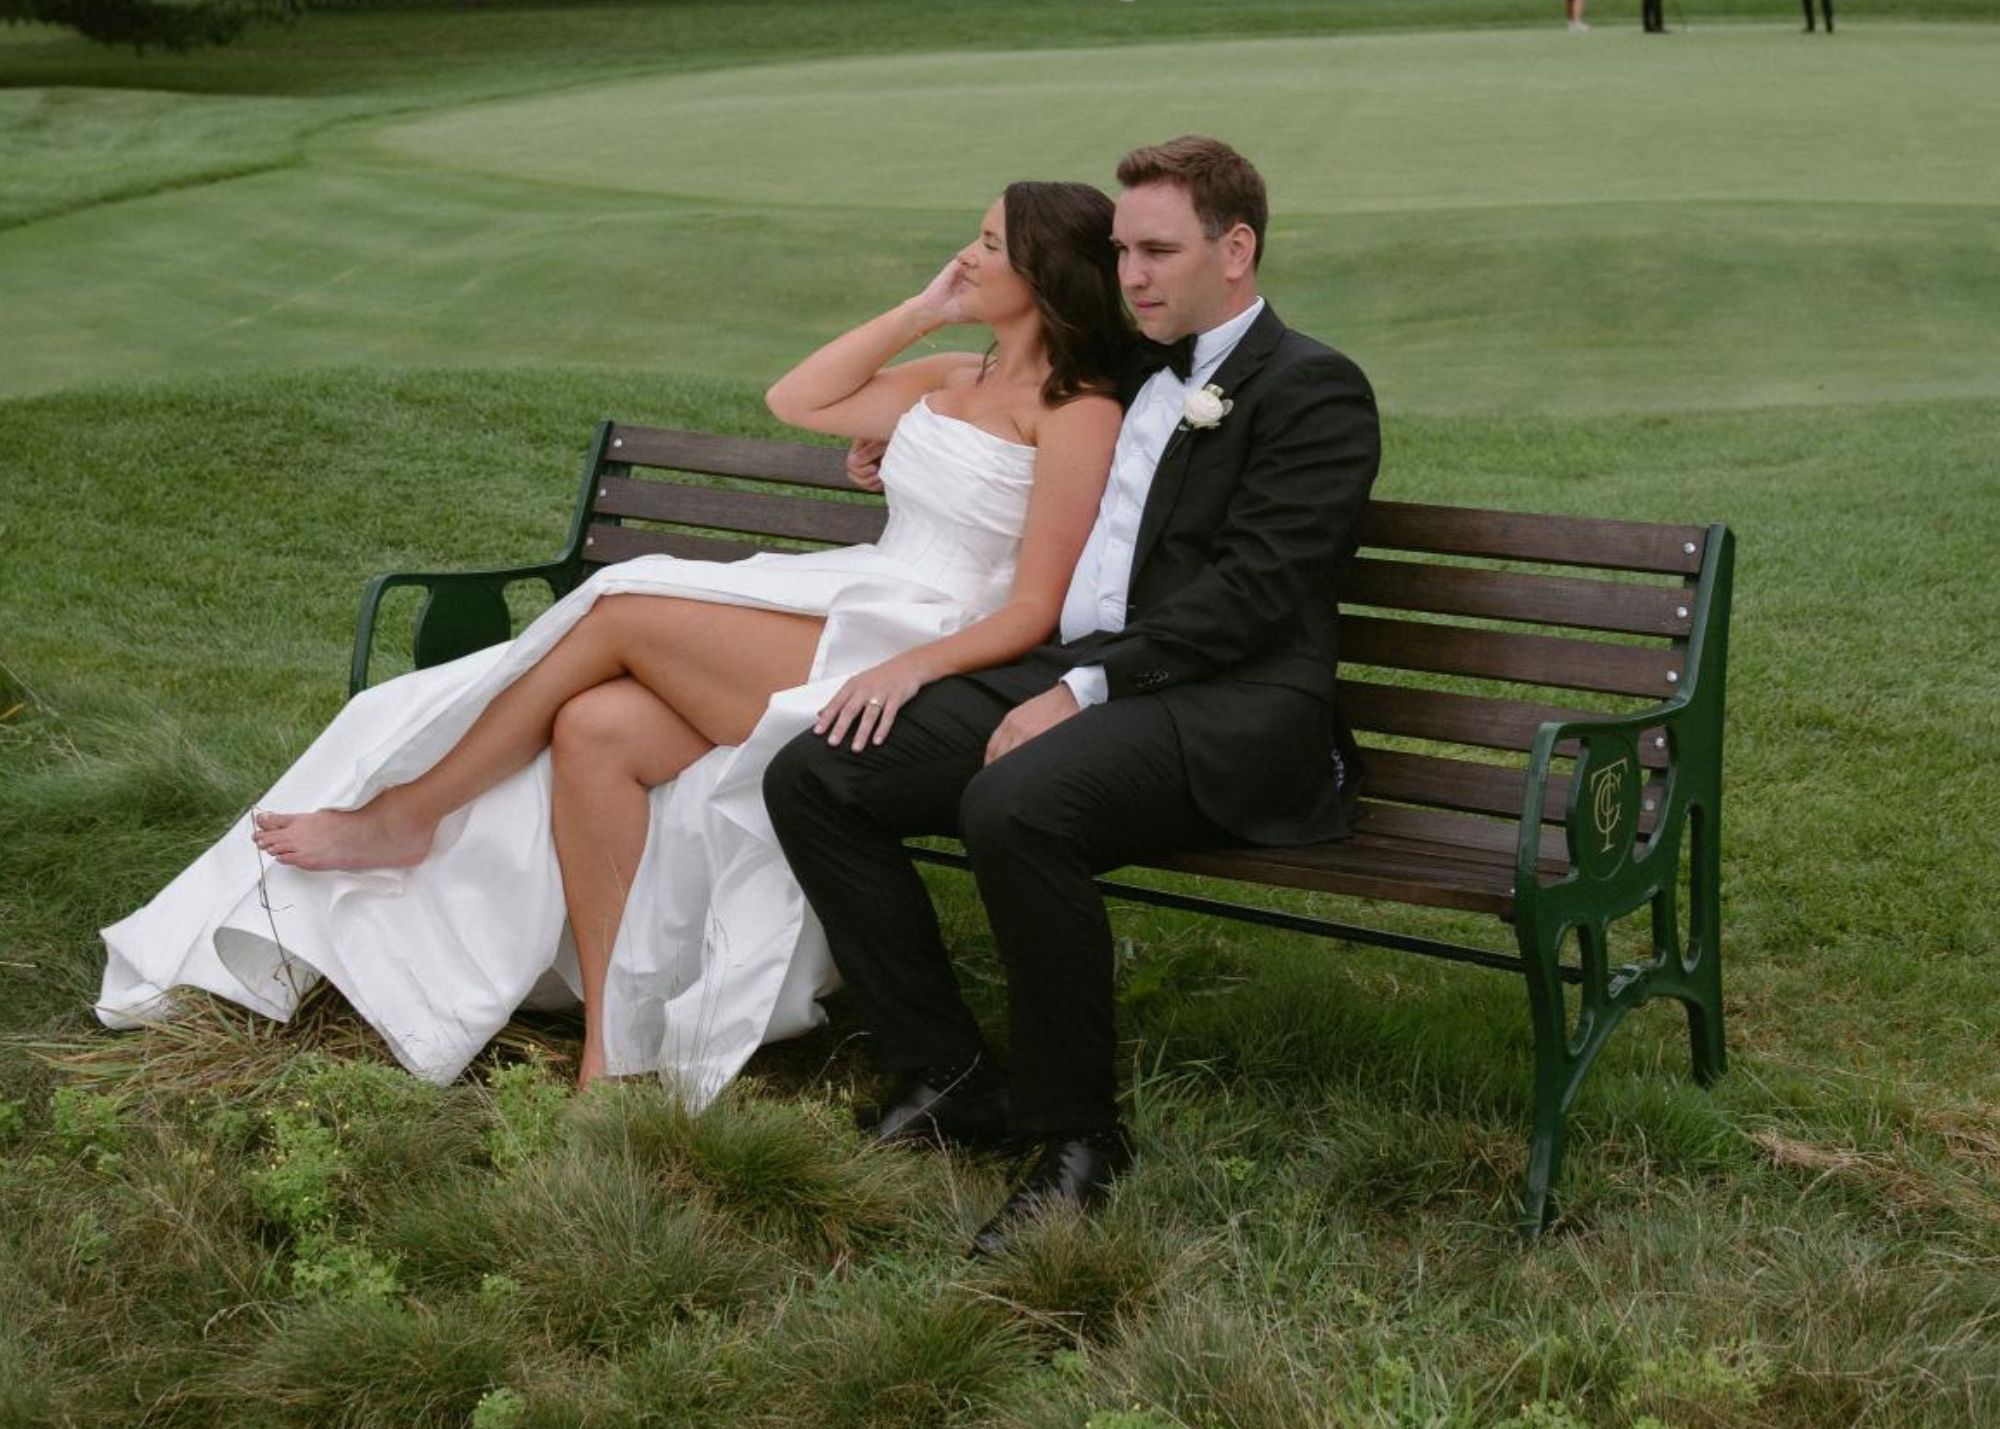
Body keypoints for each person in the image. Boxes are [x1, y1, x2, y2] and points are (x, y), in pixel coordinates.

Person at [96, 181, 1130, 1100]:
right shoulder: (953, 370)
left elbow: (1032, 608)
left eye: (989, 246)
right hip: (842, 597)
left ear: (1042, 274)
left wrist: (913, 664)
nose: (966, 255)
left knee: (621, 608)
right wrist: (922, 310)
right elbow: (797, 399)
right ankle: (610, 1049)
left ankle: (408, 812)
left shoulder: (1074, 410)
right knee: (595, 727)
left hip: (913, 638)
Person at [763, 136, 1381, 1257]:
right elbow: (1022, 455)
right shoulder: (1138, 373)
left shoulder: (1311, 388)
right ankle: (943, 1070)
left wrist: (1084, 685)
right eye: (1120, 251)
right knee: (817, 771)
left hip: (1233, 710)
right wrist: (895, 447)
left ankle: (1077, 1139)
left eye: (1158, 250)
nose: (1132, 274)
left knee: (1018, 803)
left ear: (1234, 250)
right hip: (1092, 678)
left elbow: (1253, 593)